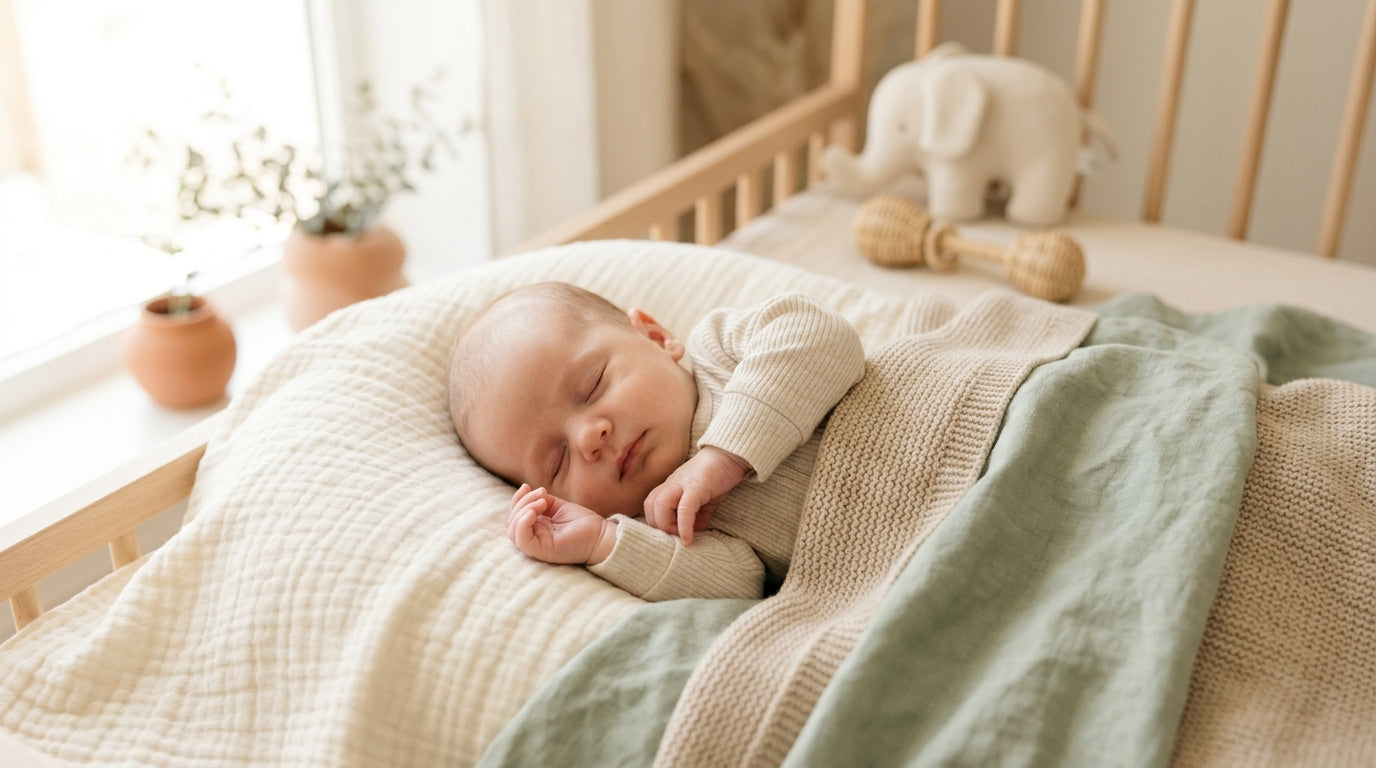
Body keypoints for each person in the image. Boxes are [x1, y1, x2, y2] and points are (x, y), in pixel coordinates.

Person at [448, 281, 865, 600]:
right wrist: (600, 543)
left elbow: (822, 333)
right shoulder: (659, 525)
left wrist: (722, 457)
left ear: (654, 336)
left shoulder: (721, 353)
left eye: (593, 386)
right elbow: (739, 584)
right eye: (558, 462)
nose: (589, 438)